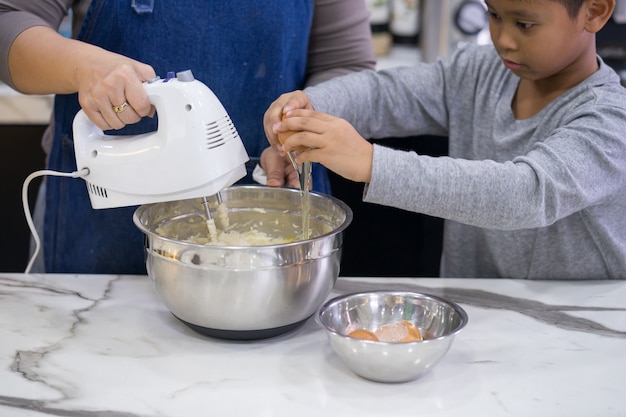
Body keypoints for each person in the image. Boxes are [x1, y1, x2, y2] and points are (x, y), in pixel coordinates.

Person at [0, 0, 376, 274]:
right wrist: (85, 69)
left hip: (271, 207)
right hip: (100, 222)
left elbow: (346, 66)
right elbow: (8, 22)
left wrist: (297, 131)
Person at [265, 0, 626, 279]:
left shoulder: (609, 119)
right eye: (494, 15)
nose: (504, 39)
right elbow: (385, 95)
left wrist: (370, 163)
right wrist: (309, 108)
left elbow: (527, 194)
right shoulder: (479, 71)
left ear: (594, 12)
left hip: (577, 327)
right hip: (475, 310)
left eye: (525, 24)